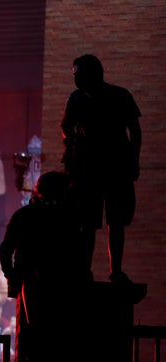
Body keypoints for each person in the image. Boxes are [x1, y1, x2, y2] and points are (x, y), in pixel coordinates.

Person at [0, 171, 88, 362]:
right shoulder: (68, 219)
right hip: (62, 288)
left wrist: (12, 276)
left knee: (31, 345)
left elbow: (5, 249)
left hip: (33, 284)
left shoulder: (25, 216)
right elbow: (78, 253)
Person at [60, 54, 142, 284]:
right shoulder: (78, 98)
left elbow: (134, 131)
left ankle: (113, 270)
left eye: (79, 74)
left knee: (114, 222)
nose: (76, 79)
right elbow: (66, 128)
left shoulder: (117, 95)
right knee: (89, 223)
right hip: (90, 168)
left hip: (113, 167)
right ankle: (88, 271)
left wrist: (133, 160)